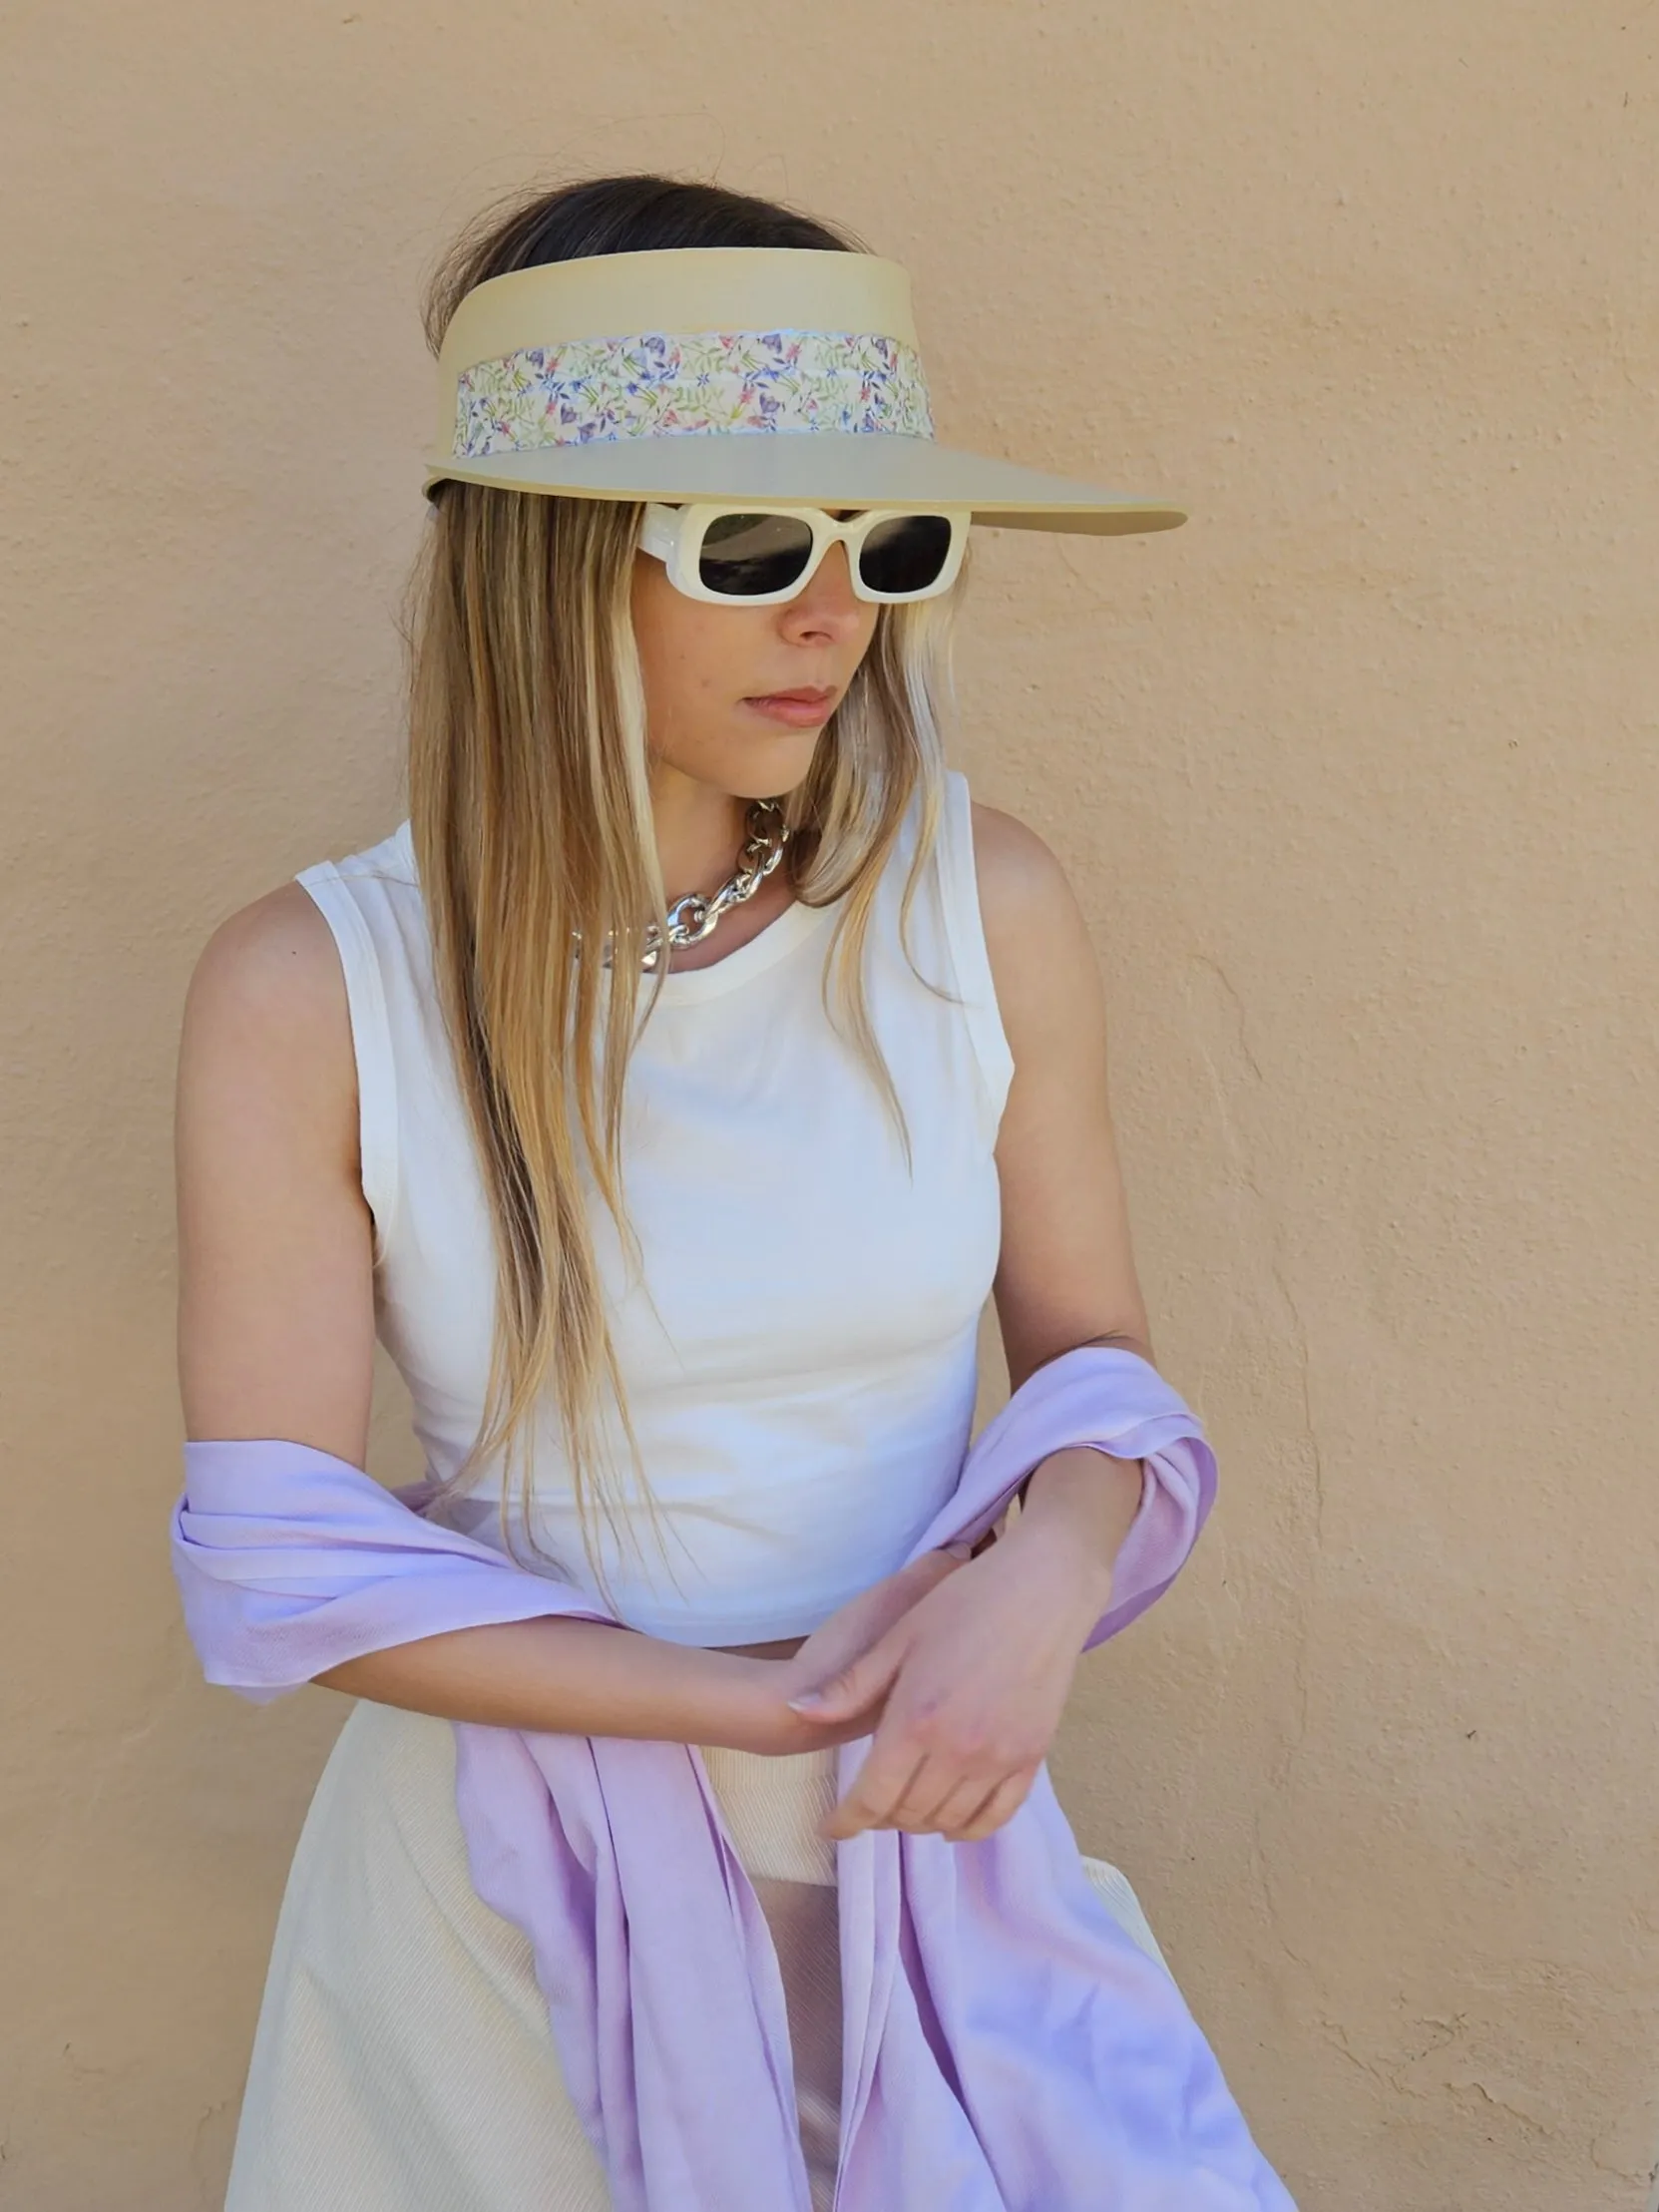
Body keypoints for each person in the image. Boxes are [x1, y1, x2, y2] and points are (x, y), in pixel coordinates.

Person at [173, 173, 1292, 2210]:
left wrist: (1037, 1590)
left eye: (890, 543)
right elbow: (280, 1548)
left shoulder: (981, 905)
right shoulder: (313, 988)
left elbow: (1098, 1368)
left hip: (925, 1847)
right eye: (759, 541)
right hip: (507, 1903)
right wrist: (762, 1706)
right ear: (550, 564)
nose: (833, 613)